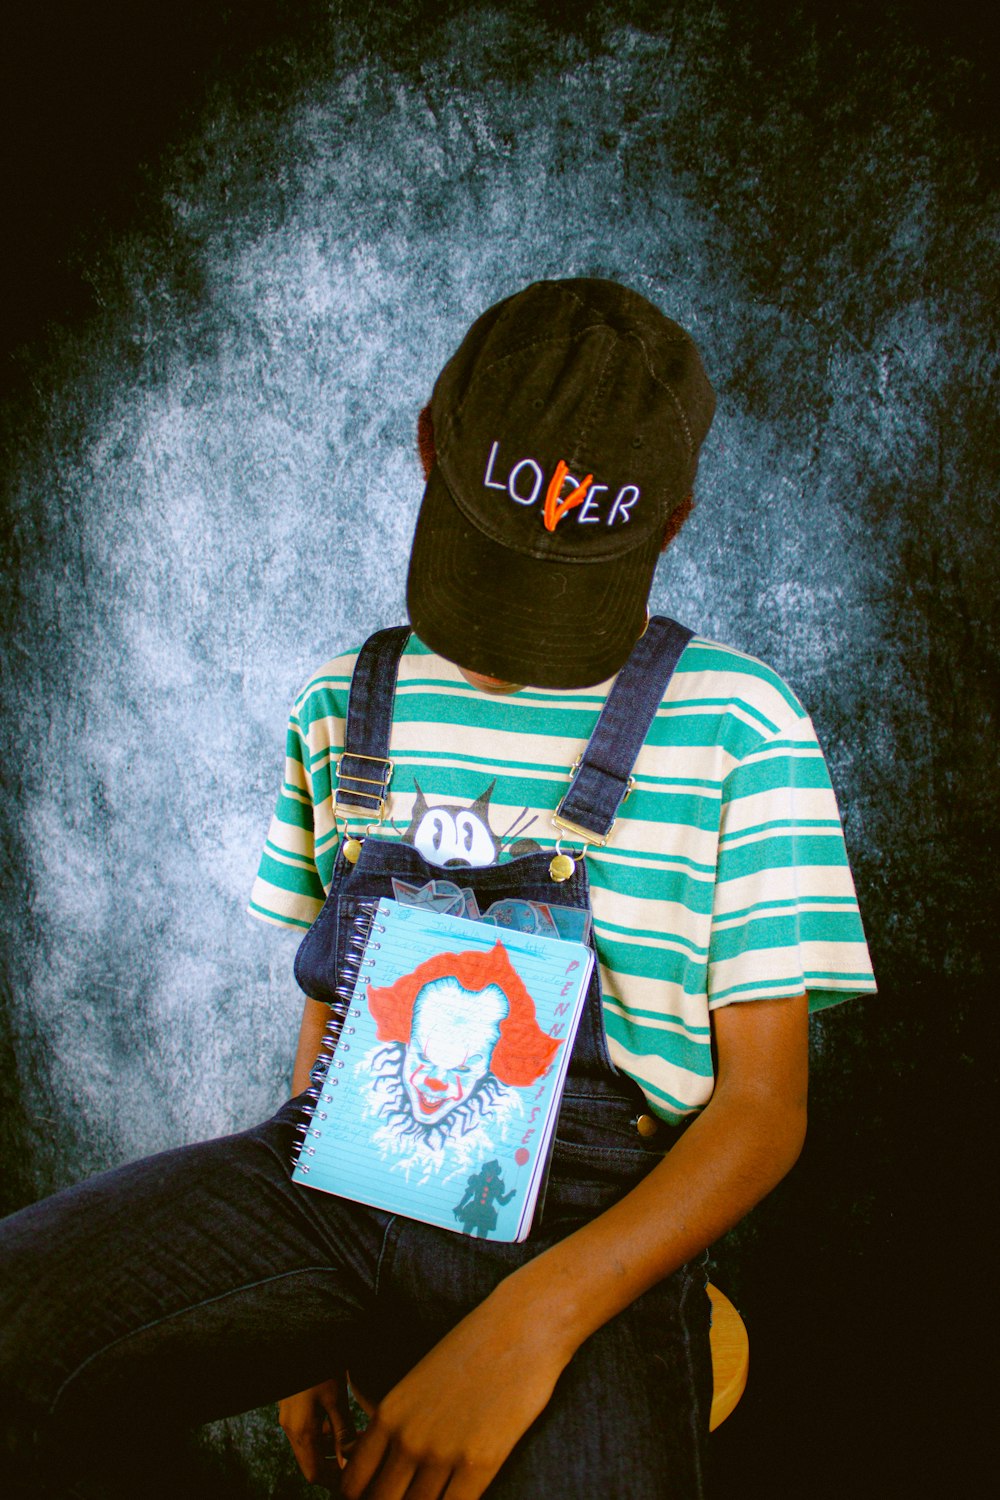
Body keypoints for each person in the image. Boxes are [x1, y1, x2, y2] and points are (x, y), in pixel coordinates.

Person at [0, 277, 876, 1500]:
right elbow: (335, 1011)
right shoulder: (341, 701)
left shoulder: (738, 723)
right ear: (428, 444)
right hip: (343, 1173)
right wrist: (291, 1329)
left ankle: (676, 1318)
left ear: (668, 524)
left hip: (582, 1225)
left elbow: (764, 1108)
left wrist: (531, 1329)